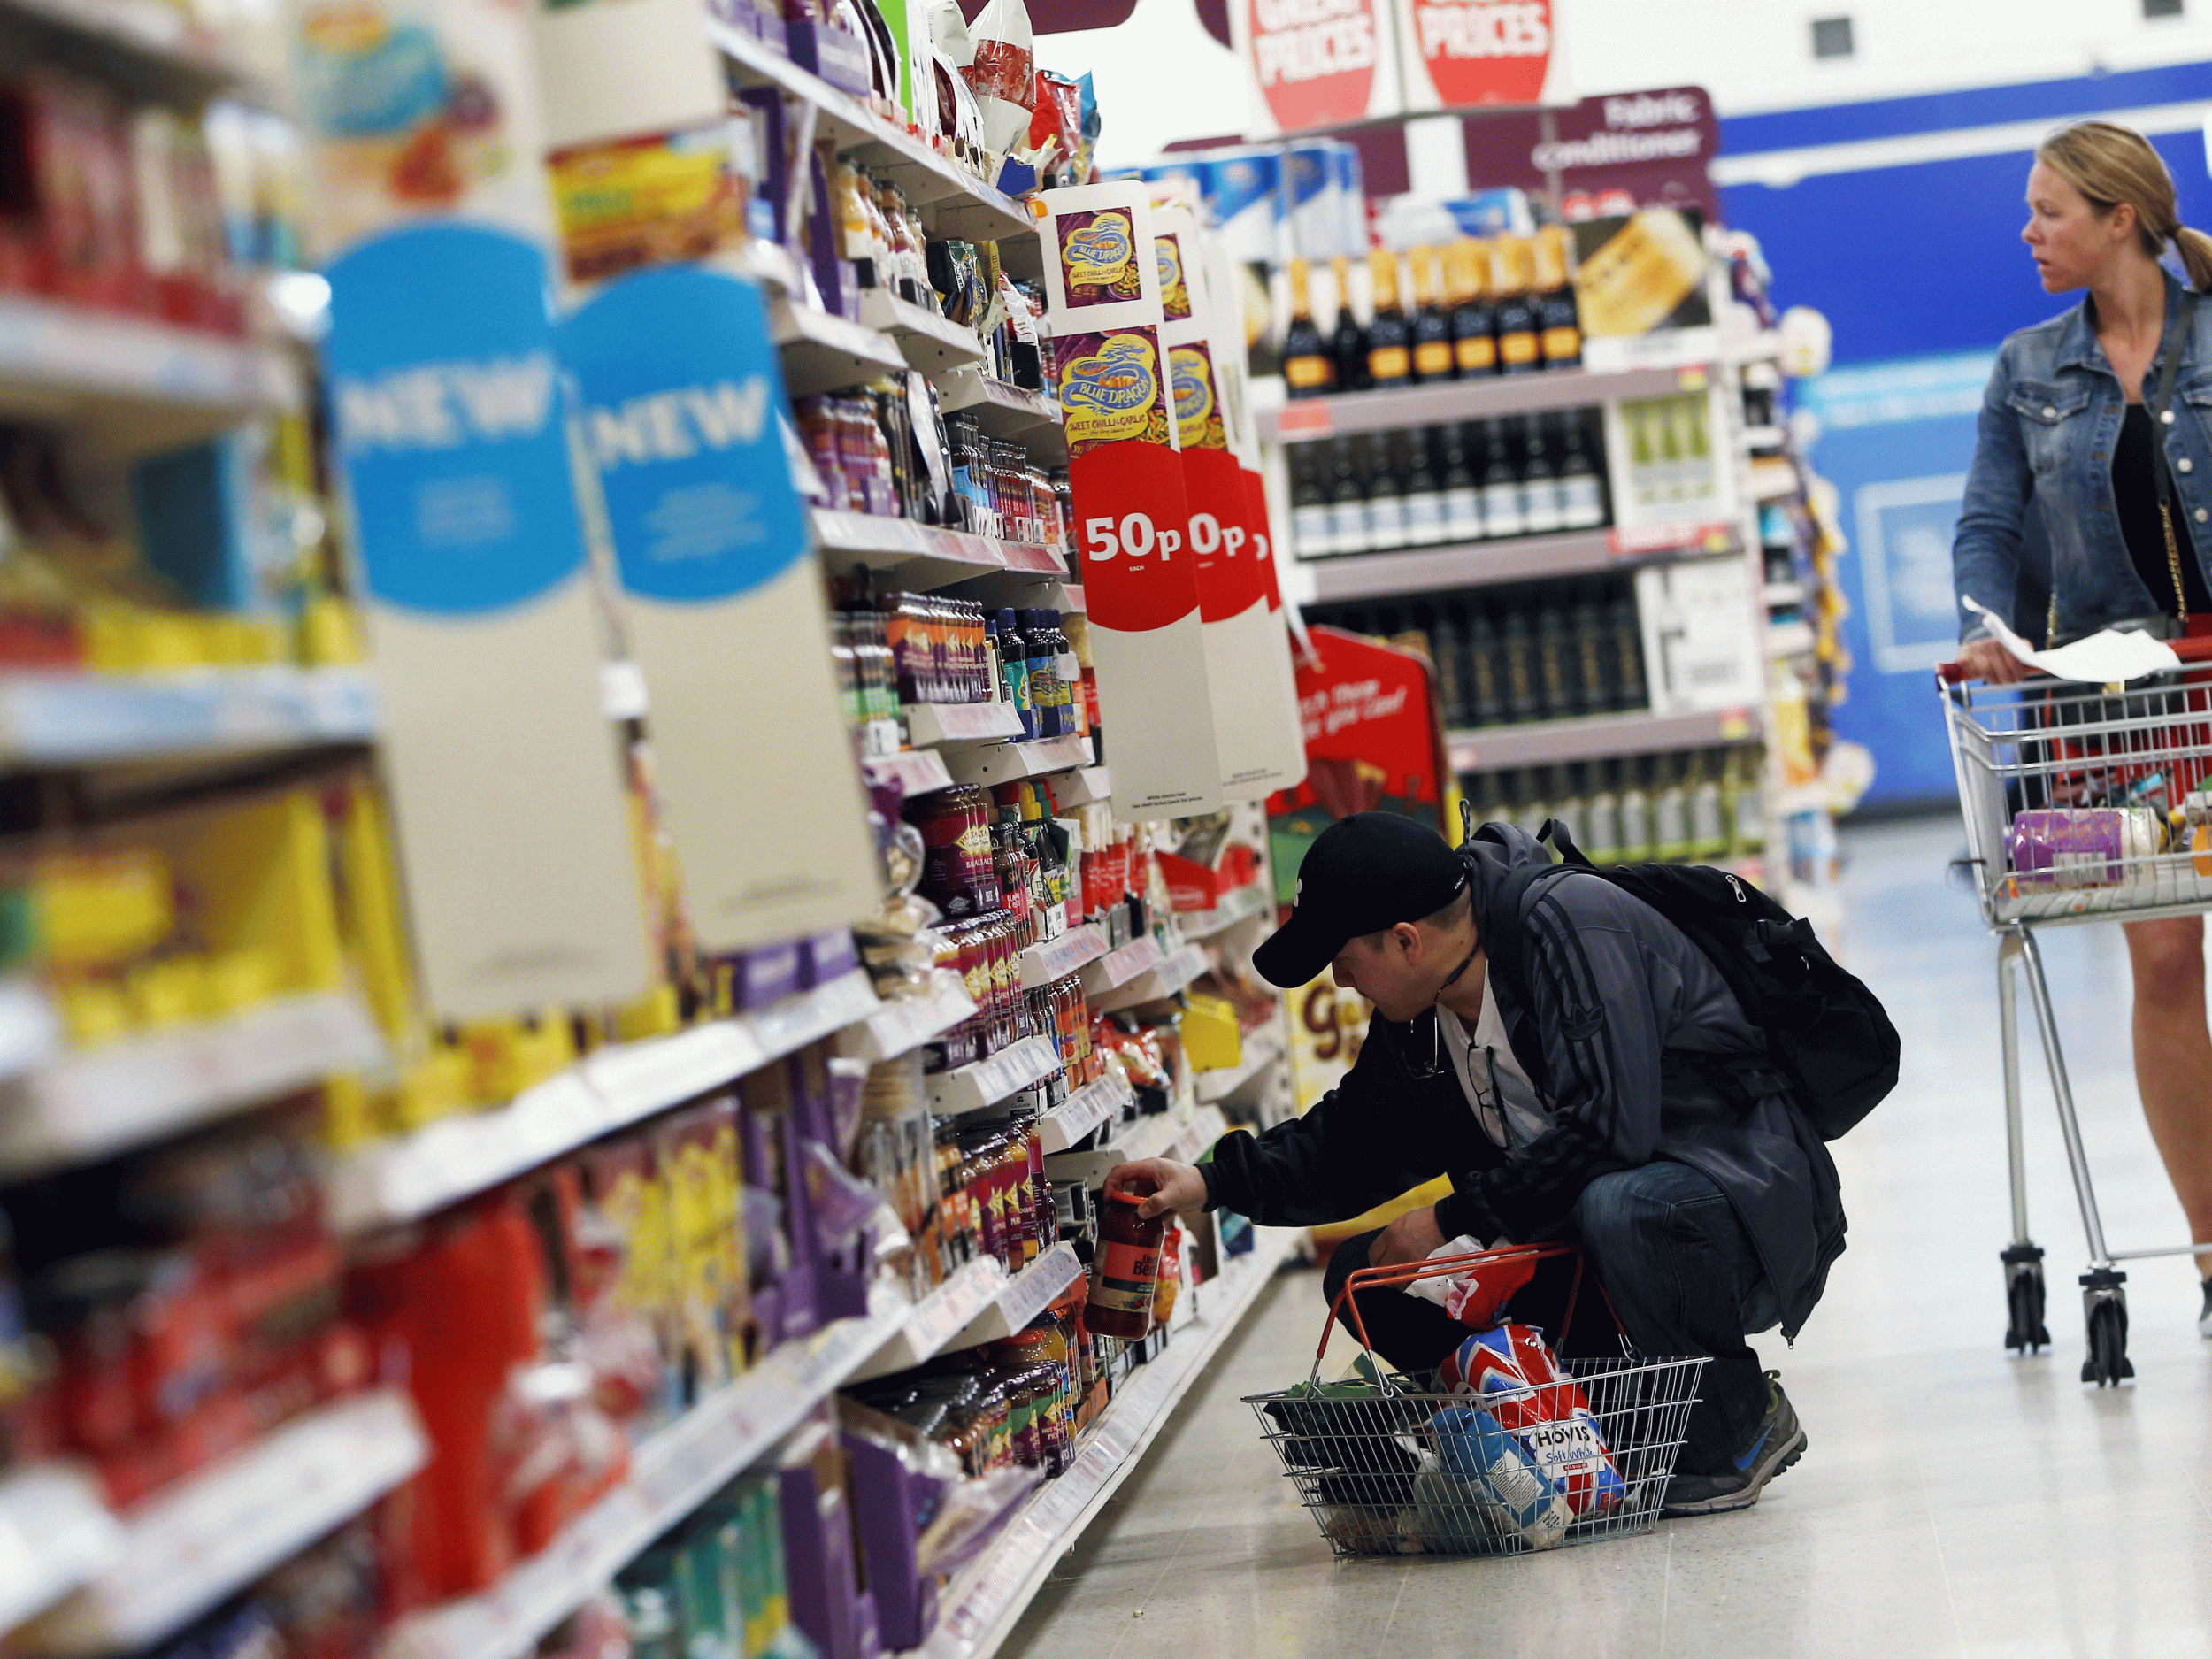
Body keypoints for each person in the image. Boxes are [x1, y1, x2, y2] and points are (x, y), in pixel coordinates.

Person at [1106, 812, 1845, 1516]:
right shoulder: (1423, 1018)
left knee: (1617, 1203)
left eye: (1342, 959)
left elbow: (1608, 1130)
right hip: (1594, 1235)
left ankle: (1739, 1425)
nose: (1338, 982)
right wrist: (1209, 1182)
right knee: (1370, 1276)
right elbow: (1351, 1141)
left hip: (1738, 1202)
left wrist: (1454, 1217)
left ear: (1405, 942)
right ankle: (1566, 1436)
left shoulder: (1569, 927)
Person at [1949, 119, 2212, 1332]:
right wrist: (1990, 617)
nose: (2027, 230)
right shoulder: (2027, 366)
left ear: (2120, 217)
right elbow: (1989, 525)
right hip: (2121, 699)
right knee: (2163, 960)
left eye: (2047, 209)